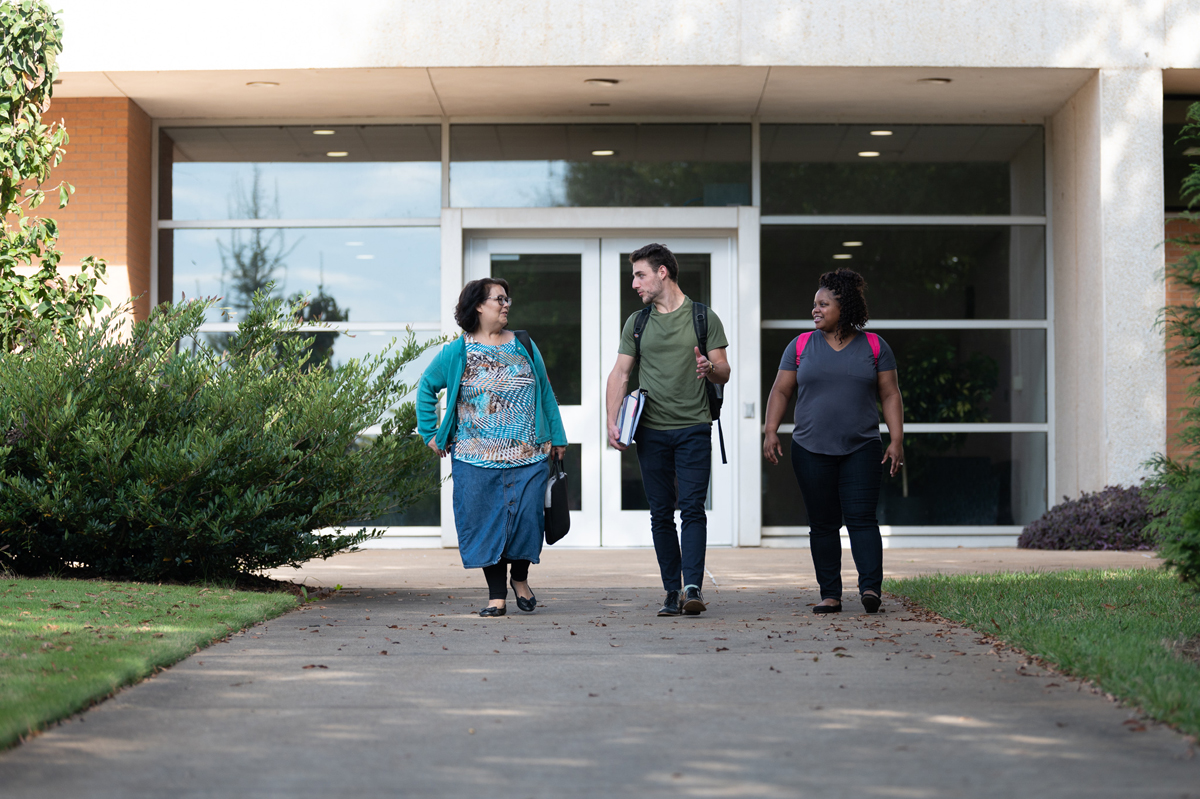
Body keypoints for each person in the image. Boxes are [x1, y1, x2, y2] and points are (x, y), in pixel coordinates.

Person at [416, 278, 568, 617]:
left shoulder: (524, 344)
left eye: (507, 298)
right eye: (499, 299)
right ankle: (496, 595)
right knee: (486, 524)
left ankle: (521, 578)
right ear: (478, 306)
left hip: (529, 455)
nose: (506, 304)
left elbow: (545, 392)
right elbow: (427, 386)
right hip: (474, 457)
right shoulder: (458, 351)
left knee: (527, 522)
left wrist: (557, 437)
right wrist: (430, 433)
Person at [762, 268, 904, 614]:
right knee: (823, 523)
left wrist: (896, 439)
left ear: (845, 307)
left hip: (861, 447)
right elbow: (781, 390)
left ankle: (870, 589)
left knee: (861, 519)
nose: (816, 310)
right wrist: (770, 430)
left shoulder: (874, 345)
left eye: (823, 304)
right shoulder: (799, 346)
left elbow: (890, 394)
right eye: (815, 304)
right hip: (810, 450)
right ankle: (830, 594)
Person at [605, 243, 730, 617]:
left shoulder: (703, 317)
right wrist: (613, 422)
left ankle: (692, 586)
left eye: (639, 274)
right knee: (661, 512)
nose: (634, 283)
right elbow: (621, 373)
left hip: (693, 426)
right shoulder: (637, 323)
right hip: (651, 431)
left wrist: (710, 367)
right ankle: (671, 590)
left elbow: (725, 370)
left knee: (692, 508)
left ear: (663, 272)